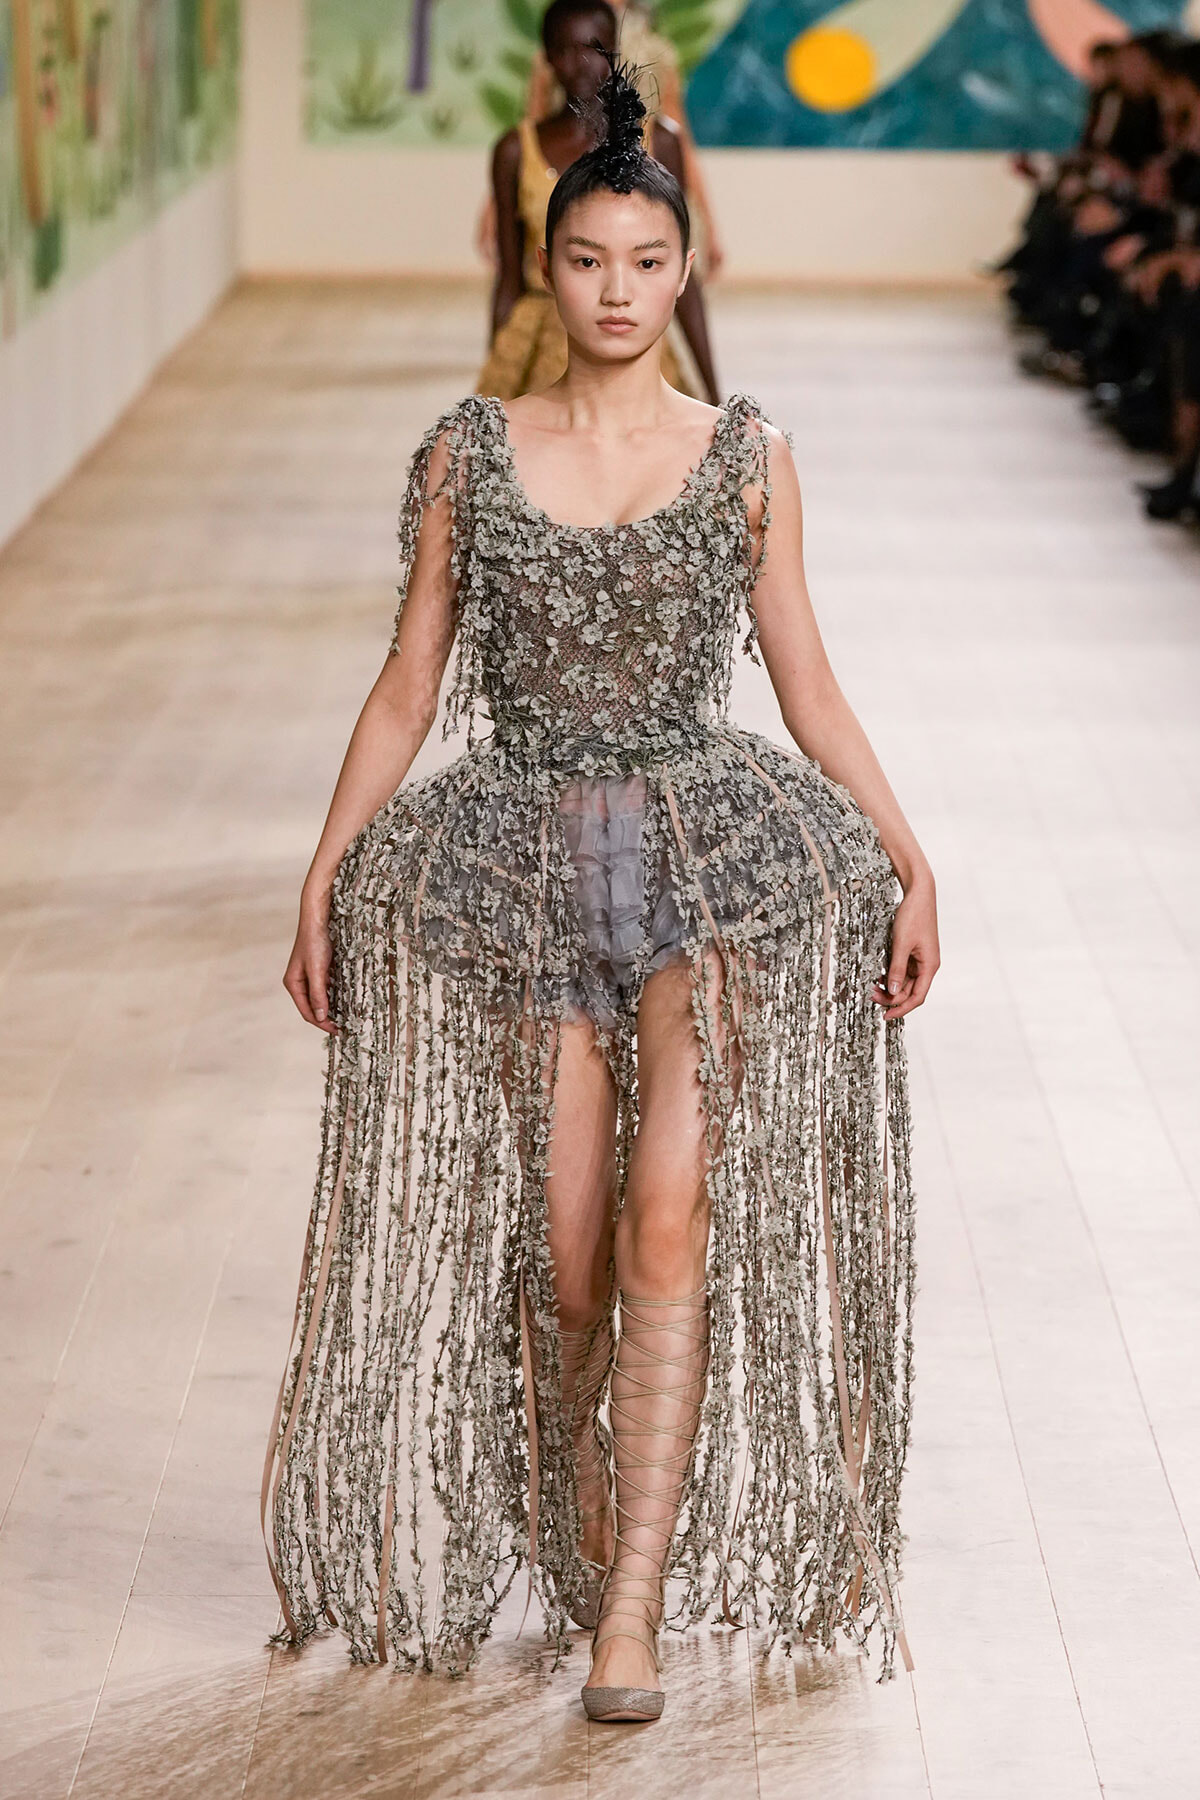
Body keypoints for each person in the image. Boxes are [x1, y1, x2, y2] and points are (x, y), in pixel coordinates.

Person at [263, 54, 938, 1726]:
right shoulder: (466, 451)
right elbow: (411, 680)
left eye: (647, 261)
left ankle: (628, 1608)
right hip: (519, 855)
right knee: (568, 1259)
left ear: (685, 266)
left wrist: (910, 856)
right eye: (588, 262)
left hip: (698, 857)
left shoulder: (746, 455)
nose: (618, 290)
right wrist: (323, 869)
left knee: (663, 1213)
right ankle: (583, 1541)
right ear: (542, 266)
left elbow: (808, 683)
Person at [477, 0, 718, 403]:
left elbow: (682, 280)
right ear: (548, 59)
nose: (580, 63)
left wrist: (714, 394)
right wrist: (498, 368)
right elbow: (508, 279)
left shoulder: (659, 142)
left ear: (615, 51)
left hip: (629, 334)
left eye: (594, 48)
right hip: (537, 340)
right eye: (566, 50)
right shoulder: (516, 150)